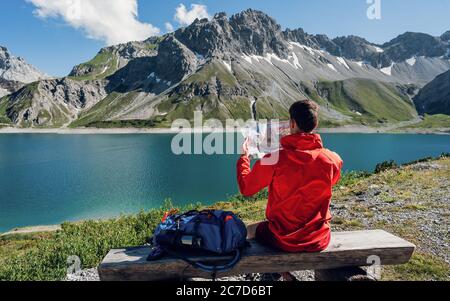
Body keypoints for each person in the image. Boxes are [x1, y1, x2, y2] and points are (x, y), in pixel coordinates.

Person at [237, 99, 343, 256]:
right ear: (315, 123)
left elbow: (246, 188)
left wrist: (244, 157)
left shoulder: (275, 159)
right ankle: (285, 274)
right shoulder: (332, 159)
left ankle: (277, 271)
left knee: (249, 231)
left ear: (292, 123)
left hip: (284, 239)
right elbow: (330, 181)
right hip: (318, 239)